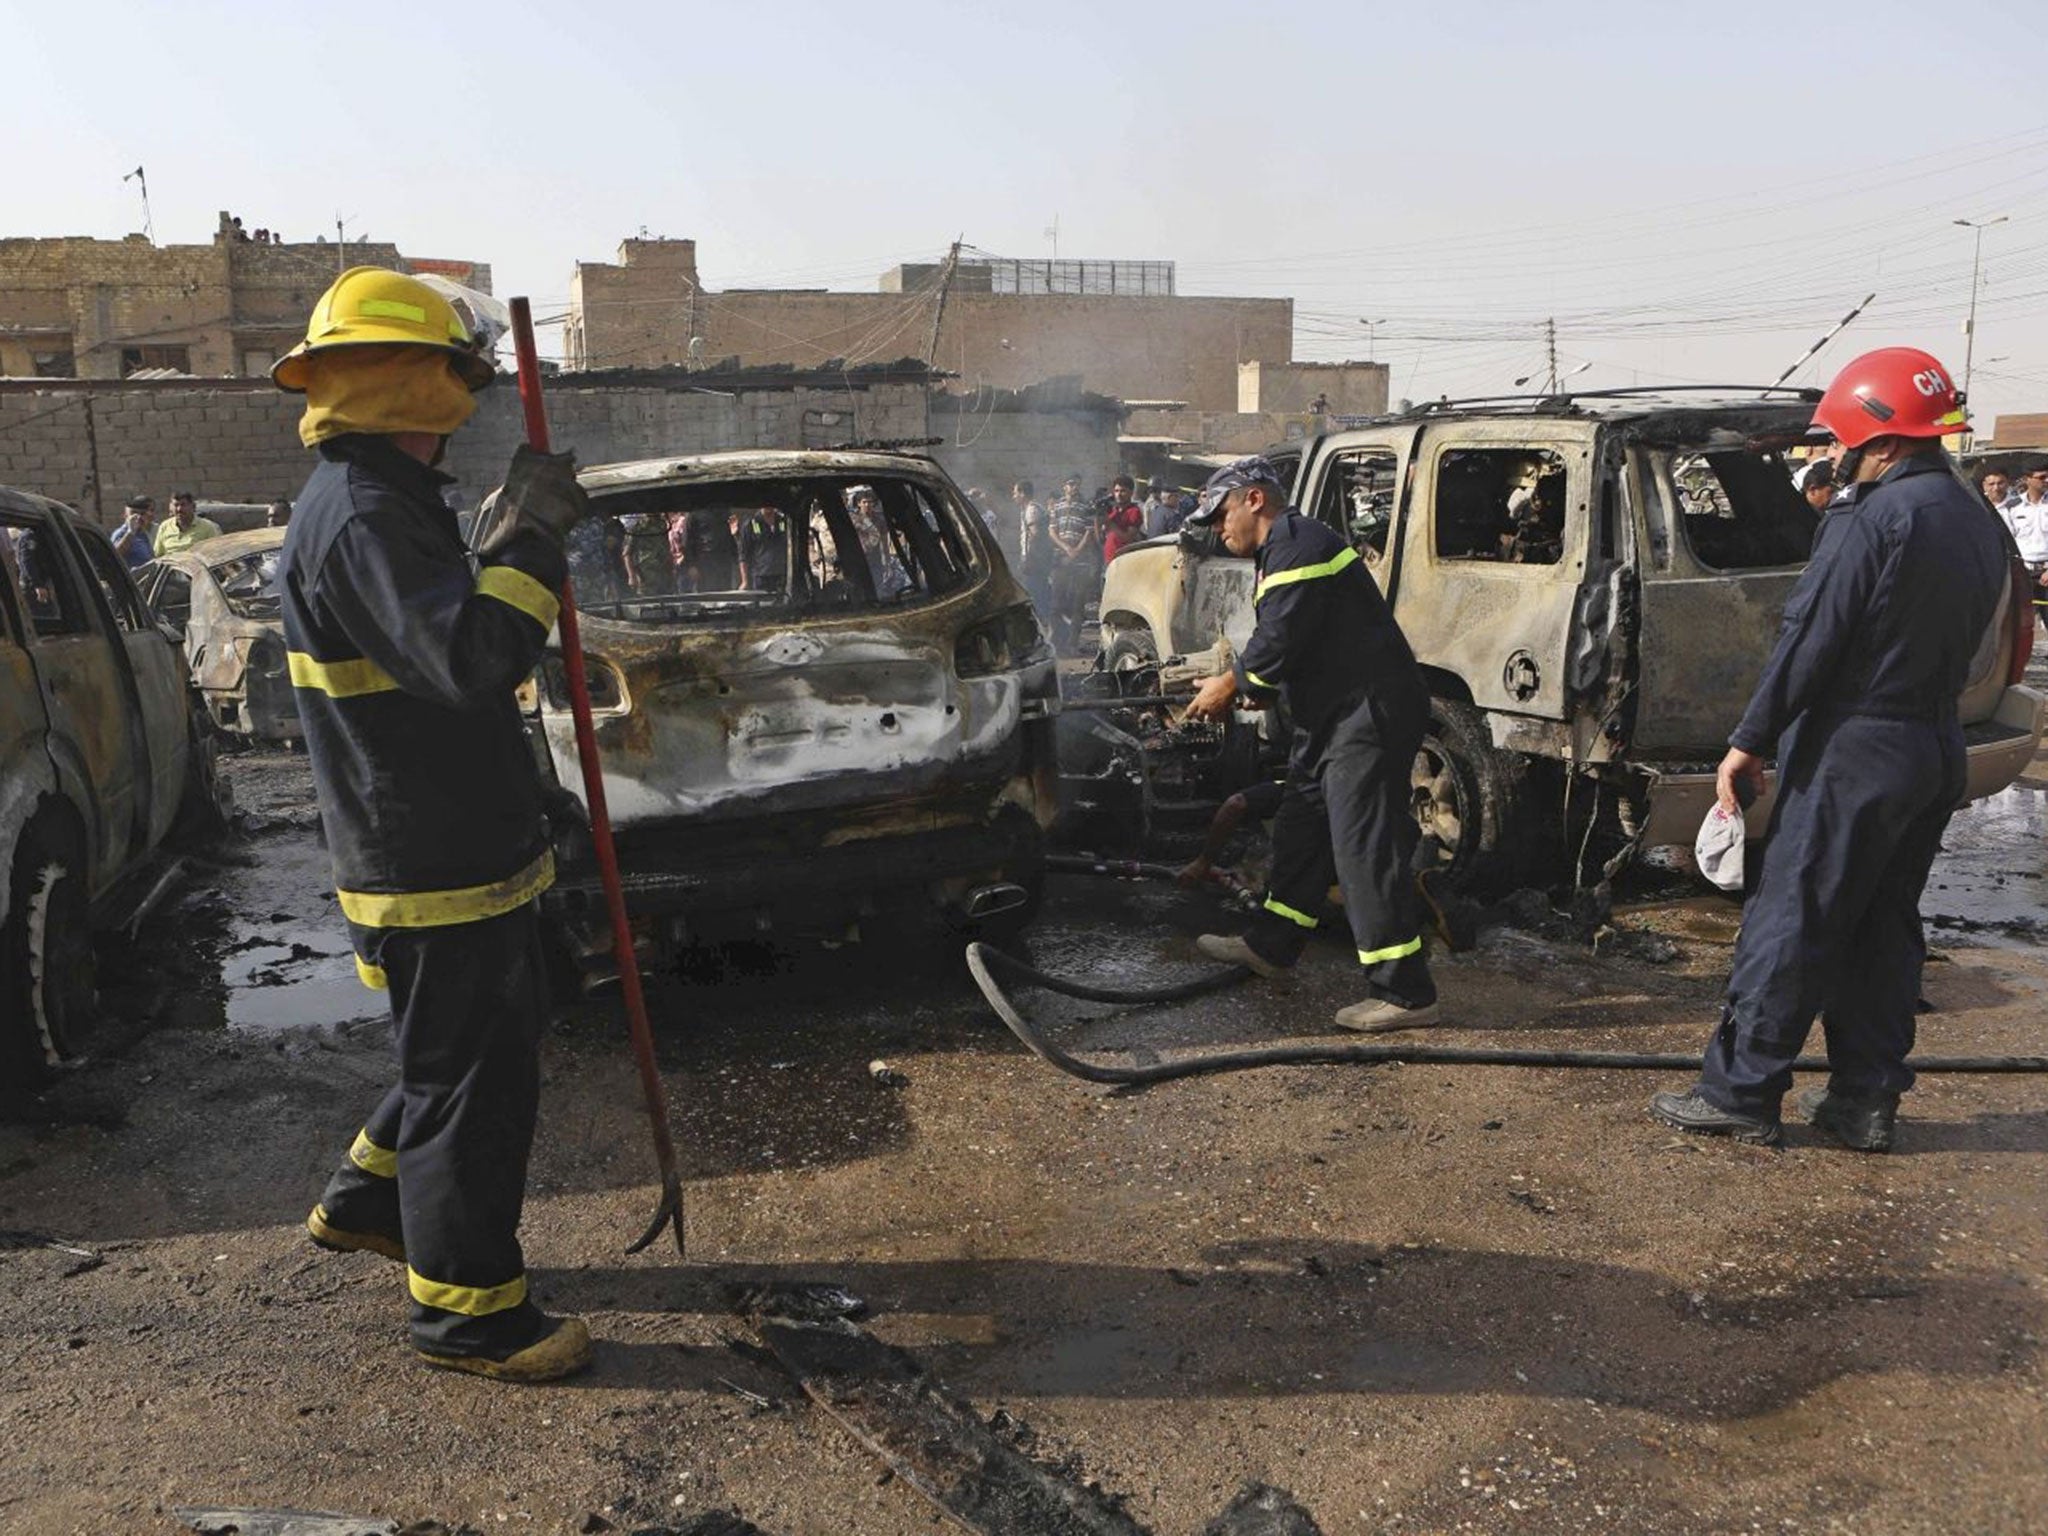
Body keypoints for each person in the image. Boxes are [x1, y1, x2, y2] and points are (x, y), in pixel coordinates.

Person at [273, 266, 593, 1382]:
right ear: (415, 384)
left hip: (448, 833)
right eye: (460, 371)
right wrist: (533, 544)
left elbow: (432, 659)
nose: (471, 391)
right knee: (473, 1079)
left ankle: (371, 1200)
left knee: (462, 1050)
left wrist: (503, 542)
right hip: (430, 853)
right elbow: (471, 658)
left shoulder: (381, 502)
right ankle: (467, 1314)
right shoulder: (362, 513)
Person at [1650, 347, 2008, 1152]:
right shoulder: (1973, 517)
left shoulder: (1872, 516)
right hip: (1932, 746)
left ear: (1875, 436)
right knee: (1883, 926)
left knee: (1795, 917)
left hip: (1857, 747)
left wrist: (1749, 739)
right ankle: (1865, 1101)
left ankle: (1740, 1093)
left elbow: (1811, 636)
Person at [1180, 456, 1438, 1032]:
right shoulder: (1286, 549)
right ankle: (1272, 945)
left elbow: (1276, 641)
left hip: (1366, 714)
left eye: (1221, 516)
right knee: (1302, 824)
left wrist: (1235, 683)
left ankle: (1406, 991)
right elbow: (1294, 647)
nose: (1218, 531)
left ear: (1253, 500)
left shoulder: (1299, 543)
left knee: (1360, 846)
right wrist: (1254, 686)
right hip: (1330, 717)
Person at [1177, 778, 1287, 894]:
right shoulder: (1290, 790)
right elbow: (1236, 804)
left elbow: (1236, 803)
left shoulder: (1292, 788)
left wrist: (1203, 862)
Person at [1047, 472, 1099, 654]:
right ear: (1064, 486)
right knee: (1056, 603)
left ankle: (1073, 644)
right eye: (1070, 484)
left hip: (1081, 561)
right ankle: (1057, 642)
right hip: (1061, 559)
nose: (1074, 487)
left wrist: (1076, 550)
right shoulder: (1057, 506)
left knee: (1078, 603)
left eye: (1077, 484)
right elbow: (1052, 531)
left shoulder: (1087, 506)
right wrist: (1066, 548)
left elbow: (1089, 531)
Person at [1998, 462, 2048, 621]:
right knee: (2018, 624)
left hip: (2046, 570)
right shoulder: (2012, 506)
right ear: (2028, 479)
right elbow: (2007, 542)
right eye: (2042, 477)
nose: (2046, 480)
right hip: (2023, 572)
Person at [1013, 479, 1053, 617]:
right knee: (1038, 590)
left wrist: (1028, 559)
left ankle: (1044, 621)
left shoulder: (1031, 509)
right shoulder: (1032, 508)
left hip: (1035, 558)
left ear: (1023, 493)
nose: (1014, 496)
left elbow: (1035, 535)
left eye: (1015, 493)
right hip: (1037, 558)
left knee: (1036, 592)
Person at [153, 490, 222, 556]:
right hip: (171, 565)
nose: (179, 509)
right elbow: (158, 554)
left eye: (183, 505)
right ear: (170, 507)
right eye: (176, 505)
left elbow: (215, 554)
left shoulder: (207, 527)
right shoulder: (165, 526)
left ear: (193, 506)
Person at [738, 503, 788, 592]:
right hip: (760, 577)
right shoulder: (751, 524)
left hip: (782, 575)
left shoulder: (783, 521)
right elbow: (743, 555)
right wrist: (744, 581)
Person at [1101, 475, 1145, 564]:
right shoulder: (1114, 511)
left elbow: (1128, 538)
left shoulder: (1134, 511)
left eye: (1123, 491)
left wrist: (1110, 523)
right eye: (1116, 491)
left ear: (1131, 493)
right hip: (1108, 559)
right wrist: (1098, 517)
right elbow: (1101, 537)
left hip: (1123, 560)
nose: (1119, 494)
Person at [110, 495, 157, 571]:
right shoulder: (121, 533)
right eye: (134, 513)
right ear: (125, 516)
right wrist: (130, 532)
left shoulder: (144, 534)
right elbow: (113, 557)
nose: (138, 517)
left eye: (142, 514)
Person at [1141, 475, 1182, 540]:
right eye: (1151, 490)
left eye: (1155, 490)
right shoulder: (1150, 505)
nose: (1153, 493)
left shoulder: (1161, 507)